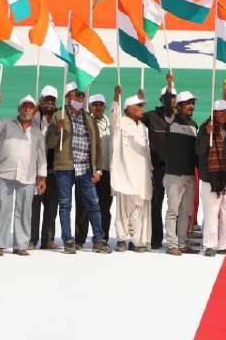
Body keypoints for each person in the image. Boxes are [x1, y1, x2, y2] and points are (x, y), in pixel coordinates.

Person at [45, 86, 109, 254]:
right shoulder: (59, 116)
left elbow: (97, 145)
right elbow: (50, 143)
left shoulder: (88, 117)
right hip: (65, 167)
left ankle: (99, 240)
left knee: (93, 205)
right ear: (68, 97)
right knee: (65, 205)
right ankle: (68, 240)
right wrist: (57, 130)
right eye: (76, 95)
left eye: (82, 95)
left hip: (85, 168)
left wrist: (98, 169)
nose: (80, 98)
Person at [0, 91, 48, 255]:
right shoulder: (6, 123)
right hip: (4, 174)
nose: (27, 110)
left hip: (28, 176)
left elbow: (42, 158)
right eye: (24, 107)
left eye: (30, 107)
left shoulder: (37, 132)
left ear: (34, 111)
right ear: (19, 109)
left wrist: (42, 178)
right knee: (1, 209)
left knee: (24, 211)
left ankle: (21, 245)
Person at [196, 100, 226, 256]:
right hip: (212, 179)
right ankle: (209, 245)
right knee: (211, 213)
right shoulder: (205, 128)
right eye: (221, 111)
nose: (225, 114)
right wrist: (207, 134)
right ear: (214, 112)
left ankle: (224, 244)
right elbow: (199, 150)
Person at [110, 87, 153, 252]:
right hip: (125, 171)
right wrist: (116, 97)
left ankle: (136, 240)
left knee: (139, 208)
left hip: (141, 174)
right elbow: (113, 115)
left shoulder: (143, 127)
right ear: (128, 108)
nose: (142, 109)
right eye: (138, 106)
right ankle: (121, 238)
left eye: (142, 106)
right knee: (123, 208)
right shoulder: (120, 122)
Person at [162, 89, 200, 256]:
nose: (191, 106)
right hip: (173, 175)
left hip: (189, 174)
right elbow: (167, 105)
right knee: (173, 211)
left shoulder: (194, 125)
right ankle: (172, 244)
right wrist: (170, 84)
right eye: (188, 104)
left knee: (186, 212)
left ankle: (182, 243)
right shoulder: (171, 121)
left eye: (193, 103)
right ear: (178, 106)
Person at [142, 75, 177, 248]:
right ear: (161, 100)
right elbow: (134, 117)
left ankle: (175, 239)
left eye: (174, 98)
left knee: (175, 206)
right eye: (167, 98)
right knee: (156, 204)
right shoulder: (151, 116)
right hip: (157, 169)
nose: (171, 101)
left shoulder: (180, 118)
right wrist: (140, 101)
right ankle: (155, 238)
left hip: (175, 169)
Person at [74, 94, 113, 247]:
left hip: (105, 170)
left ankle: (102, 238)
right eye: (95, 104)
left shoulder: (110, 124)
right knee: (83, 206)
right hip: (86, 170)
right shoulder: (83, 121)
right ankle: (79, 239)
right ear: (89, 106)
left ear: (105, 106)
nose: (98, 107)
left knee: (104, 207)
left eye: (101, 104)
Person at [30, 85, 62, 250]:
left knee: (51, 207)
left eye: (52, 100)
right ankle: (31, 239)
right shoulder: (34, 116)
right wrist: (34, 110)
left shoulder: (60, 116)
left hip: (54, 169)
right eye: (46, 99)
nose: (49, 102)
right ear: (41, 100)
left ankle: (48, 239)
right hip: (35, 170)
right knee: (34, 206)